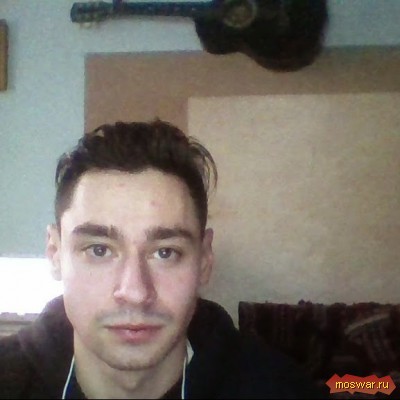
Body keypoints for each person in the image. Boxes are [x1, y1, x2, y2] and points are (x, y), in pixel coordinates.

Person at [0, 120, 325, 399]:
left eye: (165, 252)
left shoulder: (284, 390)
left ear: (204, 260)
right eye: (99, 250)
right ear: (55, 253)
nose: (135, 292)